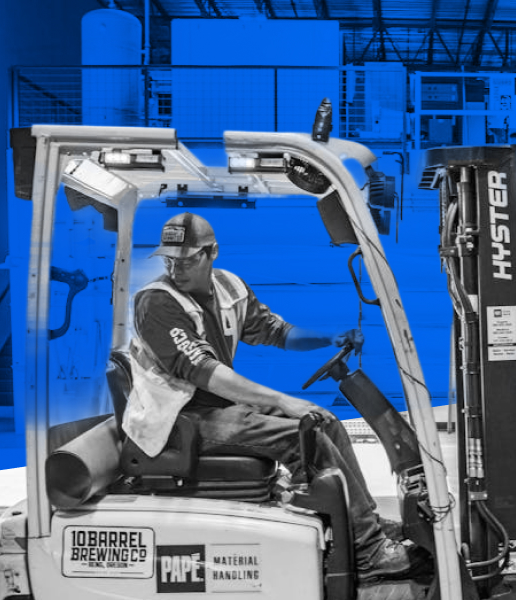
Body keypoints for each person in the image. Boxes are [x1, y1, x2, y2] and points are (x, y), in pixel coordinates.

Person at [122, 212, 411, 577]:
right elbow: (204, 372)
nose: (176, 269)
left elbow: (277, 332)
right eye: (170, 260)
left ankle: (364, 525)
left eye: (186, 259)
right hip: (179, 421)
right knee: (305, 437)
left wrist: (328, 337)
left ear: (212, 253)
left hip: (215, 408)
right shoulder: (157, 303)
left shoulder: (229, 287)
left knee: (326, 422)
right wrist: (280, 400)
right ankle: (369, 553)